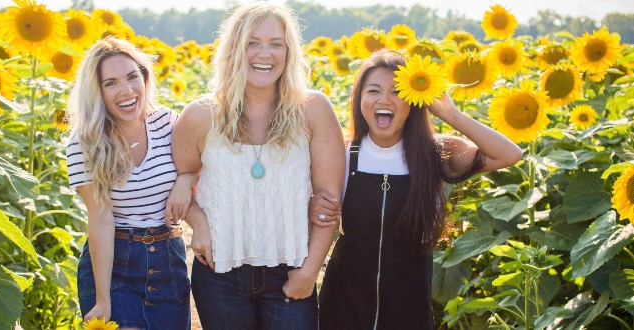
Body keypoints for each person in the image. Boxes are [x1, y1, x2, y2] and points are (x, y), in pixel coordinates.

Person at [312, 49, 523, 329]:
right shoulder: (342, 152)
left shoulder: (434, 154)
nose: (384, 100)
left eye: (397, 92)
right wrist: (312, 205)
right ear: (359, 99)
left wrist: (449, 113)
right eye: (373, 90)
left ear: (414, 102)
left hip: (408, 311)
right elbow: (312, 202)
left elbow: (509, 155)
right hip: (343, 307)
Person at [171, 2, 345, 329]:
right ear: (234, 49)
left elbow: (328, 202)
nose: (264, 53)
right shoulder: (199, 116)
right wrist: (199, 222)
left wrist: (309, 273)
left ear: (289, 52)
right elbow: (180, 180)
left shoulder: (313, 109)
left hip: (291, 271)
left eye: (276, 44)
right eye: (253, 42)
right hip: (218, 274)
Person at [65, 36, 192, 329]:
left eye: (133, 77)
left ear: (145, 78)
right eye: (111, 83)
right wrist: (103, 297)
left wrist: (187, 178)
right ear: (96, 91)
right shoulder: (84, 143)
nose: (127, 90)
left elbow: (198, 164)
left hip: (168, 263)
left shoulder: (167, 123)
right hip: (115, 265)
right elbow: (100, 219)